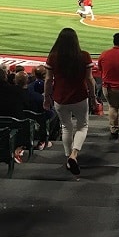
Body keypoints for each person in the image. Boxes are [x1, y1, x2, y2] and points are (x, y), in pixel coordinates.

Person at [43, 28, 96, 176]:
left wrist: (46, 97)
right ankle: (74, 154)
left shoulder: (53, 57)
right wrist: (93, 97)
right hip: (80, 96)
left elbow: (48, 80)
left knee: (66, 127)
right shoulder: (84, 56)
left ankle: (68, 157)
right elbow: (90, 79)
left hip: (60, 97)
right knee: (82, 126)